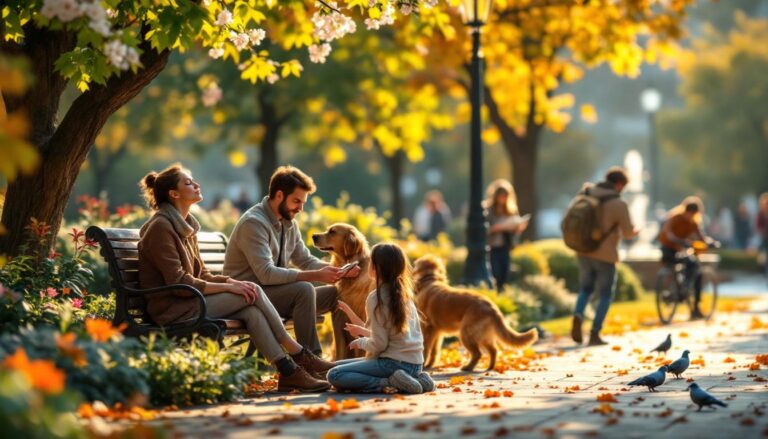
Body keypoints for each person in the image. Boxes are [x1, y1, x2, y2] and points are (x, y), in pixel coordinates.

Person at [137, 164, 333, 392]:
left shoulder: (184, 225)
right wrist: (233, 288)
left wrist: (231, 283)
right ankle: (298, 352)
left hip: (190, 299)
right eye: (189, 183)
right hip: (174, 307)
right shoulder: (161, 227)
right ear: (174, 193)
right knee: (254, 290)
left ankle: (288, 372)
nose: (196, 185)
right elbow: (179, 282)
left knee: (250, 310)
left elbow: (201, 274)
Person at [223, 165, 361, 358]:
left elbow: (304, 260)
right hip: (249, 296)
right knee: (303, 290)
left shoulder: (289, 223)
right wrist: (315, 275)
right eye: (296, 201)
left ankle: (343, 359)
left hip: (275, 295)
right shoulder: (253, 223)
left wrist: (338, 271)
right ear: (279, 195)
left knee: (336, 295)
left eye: (303, 202)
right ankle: (311, 361)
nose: (300, 208)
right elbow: (267, 274)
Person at [327, 243, 434, 394]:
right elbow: (386, 334)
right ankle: (419, 379)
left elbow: (379, 344)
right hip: (415, 364)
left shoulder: (376, 298)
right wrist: (352, 316)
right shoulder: (404, 295)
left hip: (392, 364)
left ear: (375, 268)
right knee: (333, 366)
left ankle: (389, 382)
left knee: (335, 374)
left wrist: (360, 342)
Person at [570, 167, 638, 346]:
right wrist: (635, 230)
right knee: (605, 294)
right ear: (619, 184)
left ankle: (578, 314)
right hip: (606, 254)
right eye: (623, 186)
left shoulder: (586, 193)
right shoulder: (618, 203)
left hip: (583, 250)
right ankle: (594, 333)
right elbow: (628, 232)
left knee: (585, 289)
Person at [658, 196, 713, 319]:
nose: (690, 216)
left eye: (692, 214)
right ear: (685, 210)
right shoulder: (675, 218)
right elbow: (667, 231)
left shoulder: (693, 222)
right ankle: (678, 290)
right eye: (689, 213)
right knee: (690, 265)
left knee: (696, 271)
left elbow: (700, 236)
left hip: (681, 248)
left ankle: (695, 305)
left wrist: (710, 242)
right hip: (669, 248)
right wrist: (677, 240)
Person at [484, 179, 528, 292]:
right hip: (492, 247)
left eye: (505, 196)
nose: (503, 198)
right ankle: (495, 294)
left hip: (505, 246)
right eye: (501, 195)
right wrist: (496, 228)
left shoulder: (510, 210)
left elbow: (514, 232)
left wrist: (518, 228)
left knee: (504, 274)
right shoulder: (488, 211)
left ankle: (501, 295)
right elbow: (484, 230)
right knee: (495, 273)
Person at [757, 193, 768, 279]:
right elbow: (758, 226)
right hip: (765, 238)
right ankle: (764, 273)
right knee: (763, 257)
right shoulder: (761, 214)